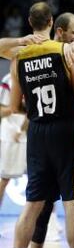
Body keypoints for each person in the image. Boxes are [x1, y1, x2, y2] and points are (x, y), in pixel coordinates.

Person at [2, 2, 74, 248]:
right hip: (65, 129)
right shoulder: (64, 50)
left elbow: (13, 106)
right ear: (51, 22)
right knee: (72, 203)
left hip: (37, 130)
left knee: (33, 203)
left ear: (29, 22)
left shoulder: (19, 56)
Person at [0, 73, 27, 208]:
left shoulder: (37, 72)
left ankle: (52, 224)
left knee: (46, 181)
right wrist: (14, 107)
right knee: (4, 179)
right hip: (11, 137)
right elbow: (2, 110)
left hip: (34, 134)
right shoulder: (8, 79)